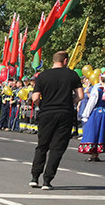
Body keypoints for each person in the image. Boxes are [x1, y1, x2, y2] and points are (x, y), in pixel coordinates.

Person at [29, 51, 84, 190]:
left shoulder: (43, 75)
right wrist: (69, 101)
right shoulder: (72, 75)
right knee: (57, 148)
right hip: (65, 113)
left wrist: (43, 106)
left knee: (42, 145)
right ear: (65, 61)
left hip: (46, 113)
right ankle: (47, 180)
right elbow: (80, 96)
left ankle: (35, 177)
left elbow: (35, 98)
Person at [78, 73, 105, 162]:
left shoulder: (97, 89)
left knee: (94, 132)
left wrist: (85, 115)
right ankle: (95, 154)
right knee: (101, 133)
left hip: (97, 113)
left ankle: (94, 154)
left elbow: (91, 103)